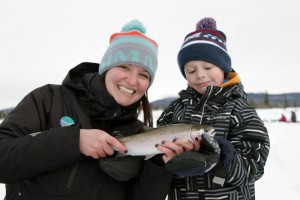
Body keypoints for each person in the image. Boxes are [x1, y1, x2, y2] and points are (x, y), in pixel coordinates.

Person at [0, 20, 172, 200]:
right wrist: (75, 141)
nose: (132, 80)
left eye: (144, 74)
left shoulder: (139, 133)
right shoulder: (49, 99)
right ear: (106, 68)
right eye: (124, 67)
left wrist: (158, 165)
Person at [156, 17, 270, 200]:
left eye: (208, 67)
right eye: (191, 71)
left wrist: (224, 156)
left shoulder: (239, 109)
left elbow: (255, 166)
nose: (200, 75)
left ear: (223, 68)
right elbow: (157, 150)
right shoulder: (173, 109)